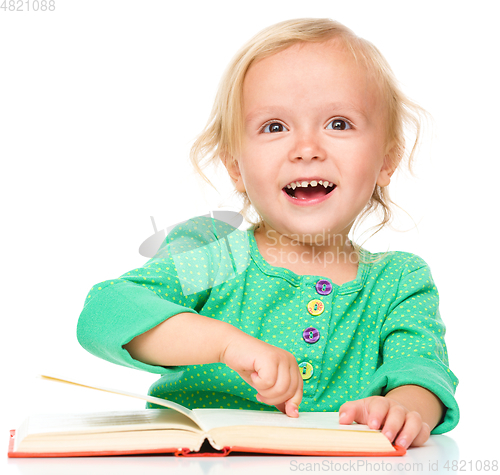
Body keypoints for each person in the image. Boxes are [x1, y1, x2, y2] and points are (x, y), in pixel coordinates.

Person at [77, 18, 459, 450]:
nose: (306, 148)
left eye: (339, 123)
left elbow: (422, 370)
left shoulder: (397, 282)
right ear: (236, 167)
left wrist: (405, 408)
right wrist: (225, 346)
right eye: (275, 127)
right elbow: (105, 313)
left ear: (387, 160)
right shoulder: (215, 250)